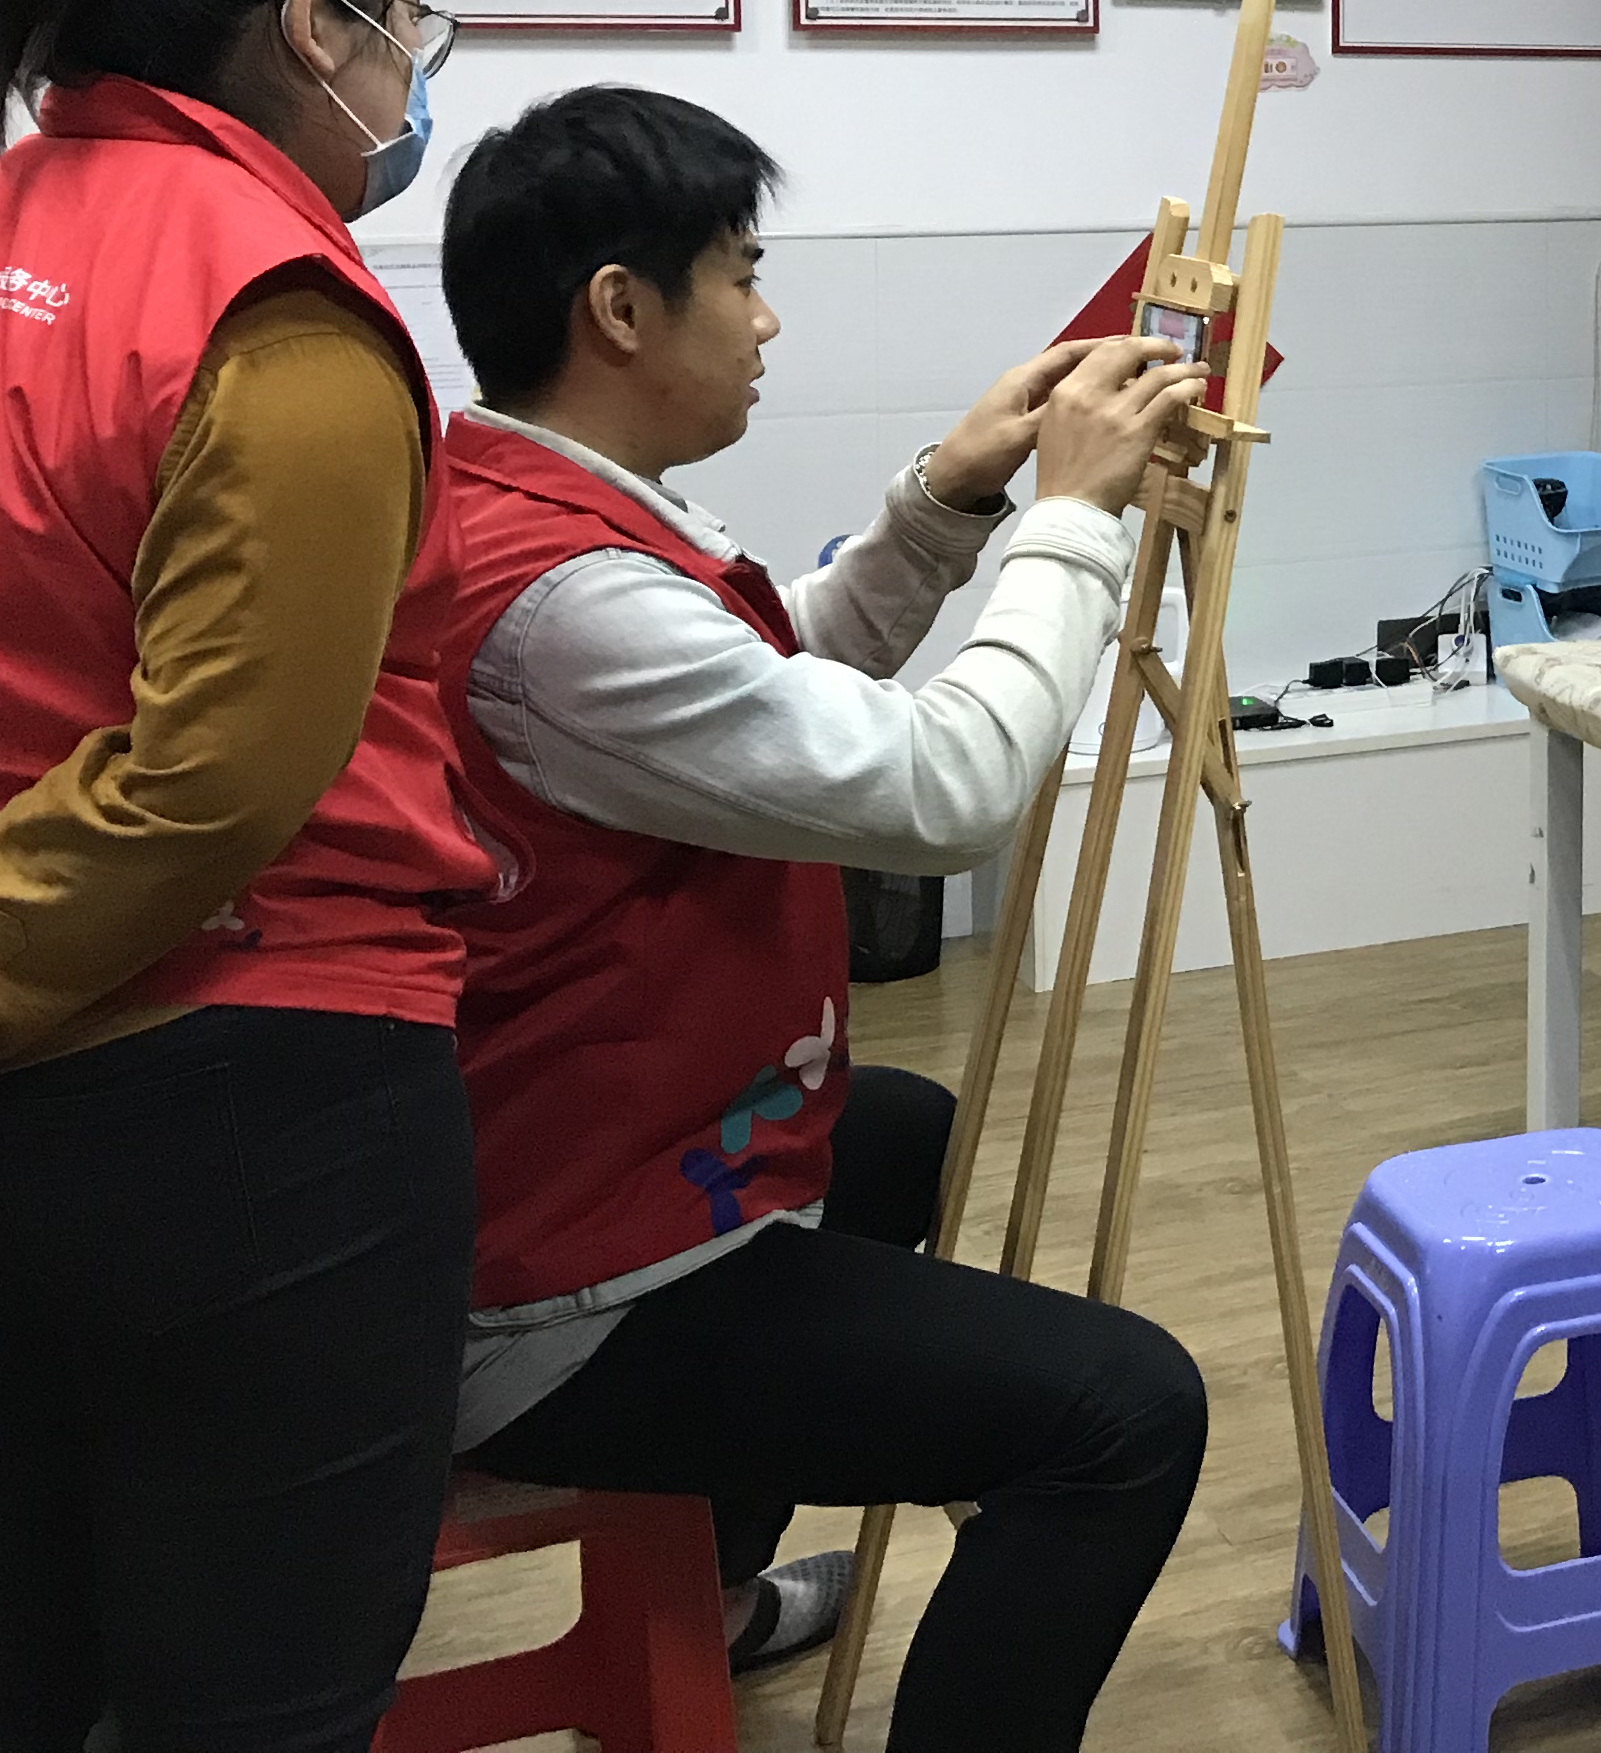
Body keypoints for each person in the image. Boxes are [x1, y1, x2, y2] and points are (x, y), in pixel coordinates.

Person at [429, 85, 1209, 1748]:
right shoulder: (561, 598)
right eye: (742, 273)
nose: (767, 317)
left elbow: (765, 685)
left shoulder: (523, 499)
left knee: (892, 1133)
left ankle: (703, 1597)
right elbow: (947, 784)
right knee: (1124, 1411)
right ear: (621, 308)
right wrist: (1073, 518)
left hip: (552, 1162)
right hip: (552, 1286)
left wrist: (948, 496)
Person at [0, 0, 482, 1749]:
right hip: (246, 1097)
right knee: (251, 1704)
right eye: (406, 17)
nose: (413, 64)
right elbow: (222, 774)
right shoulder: (274, 304)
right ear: (316, 20)